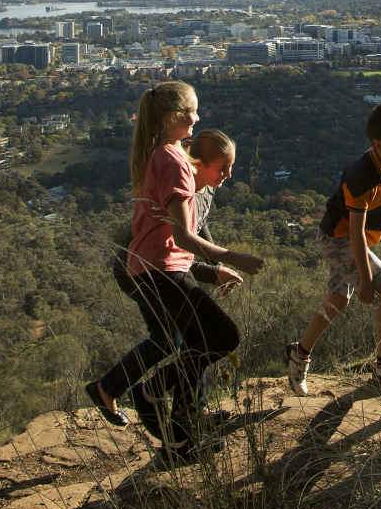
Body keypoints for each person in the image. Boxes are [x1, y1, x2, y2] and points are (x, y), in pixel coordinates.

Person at [86, 83, 264, 465]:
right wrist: (231, 258)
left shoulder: (167, 156)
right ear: (174, 117)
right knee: (217, 337)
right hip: (157, 270)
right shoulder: (173, 162)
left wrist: (215, 269)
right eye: (192, 112)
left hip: (153, 267)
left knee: (185, 341)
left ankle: (179, 432)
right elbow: (184, 235)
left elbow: (184, 238)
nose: (197, 119)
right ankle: (151, 396)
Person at [283, 104, 381, 396]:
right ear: (378, 144)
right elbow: (355, 234)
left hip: (349, 238)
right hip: (338, 238)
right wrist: (367, 279)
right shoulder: (361, 177)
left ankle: (299, 354)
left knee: (338, 299)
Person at [112, 128, 237, 445]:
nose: (227, 175)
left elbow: (196, 236)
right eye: (222, 168)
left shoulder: (204, 188)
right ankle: (147, 395)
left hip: (167, 267)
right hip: (146, 269)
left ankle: (187, 416)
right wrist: (215, 269)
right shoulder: (178, 181)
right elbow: (169, 244)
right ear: (200, 162)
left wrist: (216, 269)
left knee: (195, 340)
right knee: (181, 339)